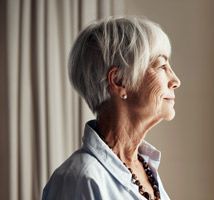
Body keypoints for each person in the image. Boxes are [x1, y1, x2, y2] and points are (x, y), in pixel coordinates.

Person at [42, 16, 181, 200]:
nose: (176, 81)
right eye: (162, 65)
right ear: (118, 81)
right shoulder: (80, 180)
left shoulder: (144, 168)